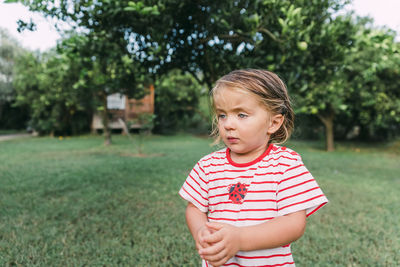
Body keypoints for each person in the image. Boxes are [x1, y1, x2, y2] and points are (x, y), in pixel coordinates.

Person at [179, 69, 328, 267]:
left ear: (273, 123)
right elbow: (195, 209)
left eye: (241, 115)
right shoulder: (207, 166)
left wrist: (240, 238)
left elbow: (294, 224)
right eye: (222, 115)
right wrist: (201, 232)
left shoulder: (286, 164)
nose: (228, 124)